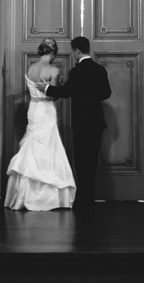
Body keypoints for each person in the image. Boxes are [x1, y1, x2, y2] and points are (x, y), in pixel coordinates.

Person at [4, 38, 76, 210]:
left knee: (33, 143)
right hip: (46, 109)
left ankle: (25, 193)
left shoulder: (31, 68)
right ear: (53, 52)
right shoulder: (53, 69)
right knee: (48, 146)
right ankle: (48, 196)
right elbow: (53, 95)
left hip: (33, 109)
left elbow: (32, 89)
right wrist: (61, 86)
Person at [41, 36, 111, 209]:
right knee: (92, 161)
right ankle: (90, 197)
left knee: (81, 161)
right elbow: (106, 93)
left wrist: (48, 88)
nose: (72, 54)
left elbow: (66, 92)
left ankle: (83, 198)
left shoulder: (77, 71)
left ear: (77, 51)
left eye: (73, 51)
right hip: (96, 122)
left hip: (81, 123)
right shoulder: (100, 70)